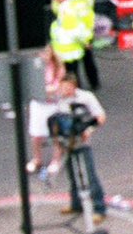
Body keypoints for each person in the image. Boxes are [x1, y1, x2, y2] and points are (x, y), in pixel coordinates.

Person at [46, 76, 108, 219]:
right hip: (67, 142)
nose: (63, 91)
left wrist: (89, 130)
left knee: (89, 176)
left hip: (82, 142)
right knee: (72, 176)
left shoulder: (86, 98)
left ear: (74, 86)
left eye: (66, 88)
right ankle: (76, 204)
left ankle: (99, 208)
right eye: (62, 88)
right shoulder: (59, 100)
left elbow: (100, 117)